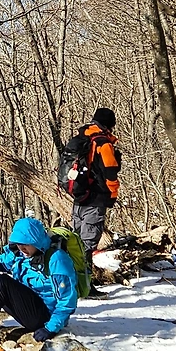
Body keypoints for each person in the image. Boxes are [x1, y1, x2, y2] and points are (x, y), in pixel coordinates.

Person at [0, 216, 78, 350]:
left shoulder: (57, 260)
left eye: (26, 244)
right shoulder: (19, 254)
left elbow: (67, 300)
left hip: (45, 316)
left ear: (36, 241)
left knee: (3, 283)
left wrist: (50, 328)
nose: (22, 248)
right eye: (19, 244)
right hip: (27, 304)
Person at [63, 109, 122, 282]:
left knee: (75, 243)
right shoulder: (103, 144)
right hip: (95, 200)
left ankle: (73, 281)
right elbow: (110, 173)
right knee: (87, 247)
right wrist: (112, 196)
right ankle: (84, 285)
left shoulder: (83, 138)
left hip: (78, 198)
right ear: (109, 125)